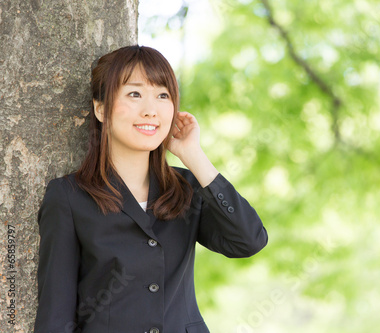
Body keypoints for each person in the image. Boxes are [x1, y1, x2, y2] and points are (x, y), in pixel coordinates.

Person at [34, 45, 268, 333]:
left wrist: (194, 156)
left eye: (162, 95)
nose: (150, 110)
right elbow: (55, 319)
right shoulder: (69, 196)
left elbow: (249, 240)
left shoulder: (187, 189)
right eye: (134, 94)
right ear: (101, 108)